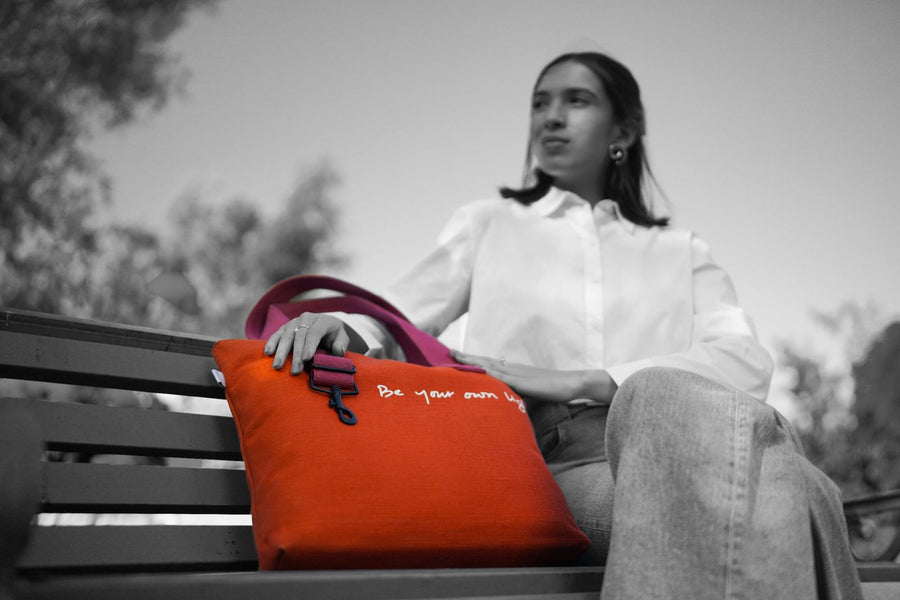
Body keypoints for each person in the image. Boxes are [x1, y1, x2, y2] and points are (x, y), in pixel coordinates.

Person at [264, 51, 862, 599]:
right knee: (798, 487)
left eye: (576, 100)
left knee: (694, 418)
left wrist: (591, 379)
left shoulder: (681, 250)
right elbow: (397, 313)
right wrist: (339, 322)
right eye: (539, 103)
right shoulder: (488, 225)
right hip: (552, 473)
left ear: (623, 132)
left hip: (687, 449)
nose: (550, 117)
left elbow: (744, 358)